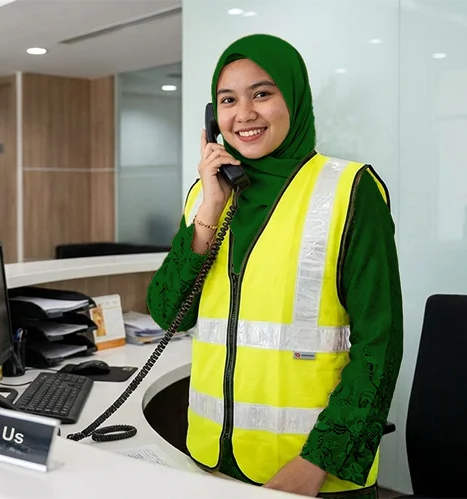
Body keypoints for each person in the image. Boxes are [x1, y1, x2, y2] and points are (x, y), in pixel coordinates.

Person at [145, 34, 403, 498]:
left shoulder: (350, 190)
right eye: (228, 100)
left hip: (311, 475)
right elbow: (168, 314)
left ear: (294, 99)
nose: (243, 113)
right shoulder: (206, 195)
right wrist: (210, 209)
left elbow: (379, 346)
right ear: (214, 118)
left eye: (261, 93)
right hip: (210, 463)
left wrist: (316, 463)